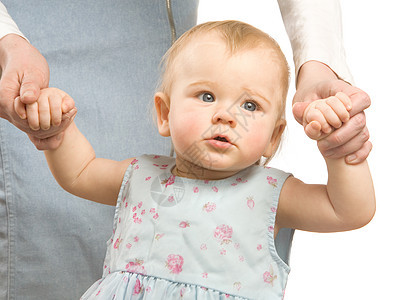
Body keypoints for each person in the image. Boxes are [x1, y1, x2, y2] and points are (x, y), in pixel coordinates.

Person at [0, 1, 372, 299]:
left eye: (250, 106)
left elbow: (349, 211)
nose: (225, 116)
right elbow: (79, 173)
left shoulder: (272, 196)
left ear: (274, 138)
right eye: (207, 96)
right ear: (164, 113)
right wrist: (59, 128)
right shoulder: (141, 176)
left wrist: (338, 154)